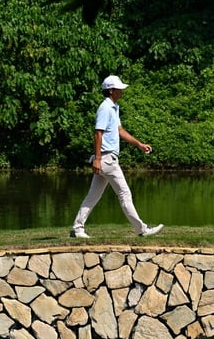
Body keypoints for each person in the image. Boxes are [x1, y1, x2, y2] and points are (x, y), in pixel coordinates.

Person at [70, 75, 163, 240]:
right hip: (107, 160)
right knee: (125, 194)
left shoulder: (114, 107)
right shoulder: (105, 108)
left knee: (93, 196)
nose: (122, 91)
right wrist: (97, 159)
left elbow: (120, 130)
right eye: (119, 88)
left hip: (106, 159)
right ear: (111, 90)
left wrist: (139, 144)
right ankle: (142, 229)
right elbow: (98, 133)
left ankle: (77, 228)